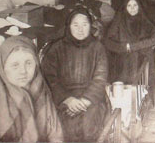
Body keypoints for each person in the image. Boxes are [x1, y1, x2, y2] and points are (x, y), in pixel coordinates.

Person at [0, 36, 63, 142]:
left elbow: (56, 135)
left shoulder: (42, 94)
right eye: (15, 65)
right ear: (2, 68)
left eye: (29, 63)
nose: (23, 71)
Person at [41, 7, 108, 142]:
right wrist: (67, 99)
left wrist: (85, 101)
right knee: (63, 128)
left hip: (92, 99)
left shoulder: (97, 48)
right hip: (63, 99)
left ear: (90, 26)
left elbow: (100, 78)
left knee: (89, 127)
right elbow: (50, 79)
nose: (80, 29)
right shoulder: (56, 48)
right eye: (75, 25)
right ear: (69, 26)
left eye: (85, 24)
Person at [102, 0, 155, 98]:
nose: (132, 8)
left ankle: (141, 96)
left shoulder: (143, 19)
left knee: (141, 72)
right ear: (125, 7)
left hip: (142, 58)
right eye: (129, 6)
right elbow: (108, 42)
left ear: (139, 7)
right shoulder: (119, 21)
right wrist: (124, 47)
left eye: (135, 5)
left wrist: (135, 46)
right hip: (122, 59)